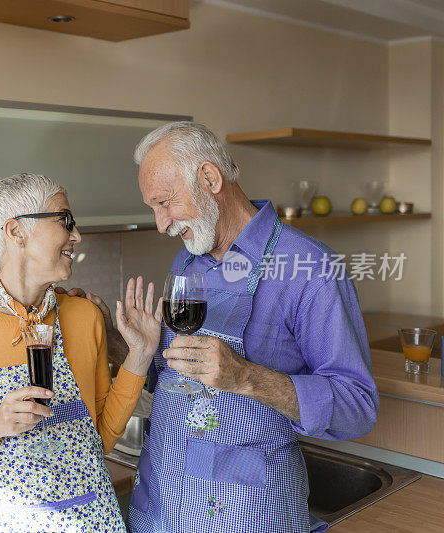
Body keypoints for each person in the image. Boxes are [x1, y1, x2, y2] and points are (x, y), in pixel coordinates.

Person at [66, 122, 379, 533]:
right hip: (160, 506)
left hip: (245, 512)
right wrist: (121, 345)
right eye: (153, 207)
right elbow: (176, 380)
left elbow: (358, 407)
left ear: (210, 178)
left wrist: (247, 377)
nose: (161, 224)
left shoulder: (310, 268)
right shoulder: (187, 262)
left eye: (165, 202)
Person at [0, 173, 161, 532]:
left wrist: (139, 355)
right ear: (16, 232)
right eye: (64, 221)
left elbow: (101, 438)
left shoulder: (83, 316)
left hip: (87, 521)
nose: (76, 235)